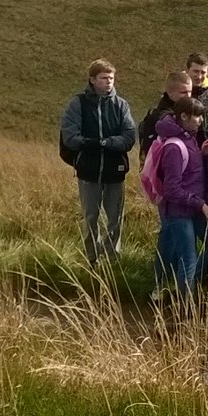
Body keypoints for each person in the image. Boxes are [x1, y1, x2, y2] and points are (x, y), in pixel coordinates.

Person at [60, 59, 138, 267]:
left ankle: (112, 259)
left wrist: (106, 143)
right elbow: (70, 137)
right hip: (88, 170)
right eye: (104, 78)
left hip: (115, 171)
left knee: (115, 218)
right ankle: (92, 260)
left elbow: (129, 137)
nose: (109, 82)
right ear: (93, 80)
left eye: (111, 78)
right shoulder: (78, 104)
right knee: (90, 217)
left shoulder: (121, 105)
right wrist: (94, 144)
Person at [151, 97, 208, 305]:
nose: (201, 120)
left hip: (194, 209)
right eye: (197, 116)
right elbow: (172, 189)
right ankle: (185, 307)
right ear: (184, 116)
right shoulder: (174, 147)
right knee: (188, 258)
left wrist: (202, 155)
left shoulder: (189, 138)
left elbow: (190, 174)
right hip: (179, 212)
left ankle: (190, 285)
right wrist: (201, 204)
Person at [139, 71, 193, 161]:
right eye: (183, 92)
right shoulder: (159, 118)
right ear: (169, 92)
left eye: (190, 91)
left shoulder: (189, 111)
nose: (188, 96)